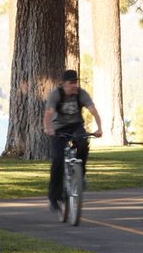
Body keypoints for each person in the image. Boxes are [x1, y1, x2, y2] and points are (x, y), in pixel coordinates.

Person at [44, 68, 103, 211]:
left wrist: (99, 128)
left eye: (76, 82)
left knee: (83, 143)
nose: (74, 85)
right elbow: (48, 113)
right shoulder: (56, 94)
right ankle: (54, 198)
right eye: (71, 83)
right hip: (58, 129)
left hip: (76, 126)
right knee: (58, 160)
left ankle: (80, 175)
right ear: (64, 84)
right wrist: (48, 128)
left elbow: (93, 110)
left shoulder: (81, 94)